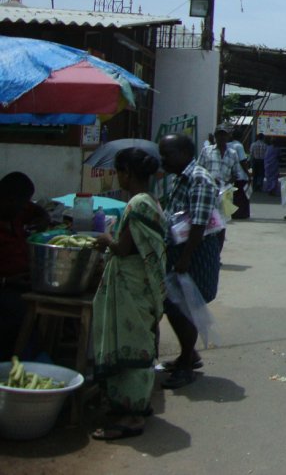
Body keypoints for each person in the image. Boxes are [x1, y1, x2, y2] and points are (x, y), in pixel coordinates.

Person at [90, 147, 166, 441]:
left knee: (133, 347)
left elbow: (123, 248)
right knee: (137, 344)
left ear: (128, 173)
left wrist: (105, 238)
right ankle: (131, 404)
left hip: (132, 286)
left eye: (119, 171)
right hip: (138, 287)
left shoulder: (137, 204)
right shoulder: (151, 201)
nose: (117, 177)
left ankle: (133, 416)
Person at [158, 133, 221, 389]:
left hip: (194, 254)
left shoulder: (199, 179)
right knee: (173, 304)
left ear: (184, 153)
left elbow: (199, 222)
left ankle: (186, 365)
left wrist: (184, 259)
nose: (163, 160)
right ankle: (188, 354)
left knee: (184, 308)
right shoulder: (179, 178)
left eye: (167, 154)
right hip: (178, 250)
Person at [0, 172, 49, 361]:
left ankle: (38, 356)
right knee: (19, 313)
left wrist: (43, 218)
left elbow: (38, 211)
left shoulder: (16, 214)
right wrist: (7, 280)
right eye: (22, 203)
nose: (24, 208)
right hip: (6, 289)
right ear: (10, 200)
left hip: (24, 282)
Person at [198, 126, 249, 230]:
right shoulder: (206, 151)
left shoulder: (232, 153)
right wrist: (209, 179)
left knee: (221, 224)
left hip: (224, 194)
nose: (221, 137)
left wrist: (227, 183)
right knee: (205, 222)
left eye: (224, 135)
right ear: (215, 136)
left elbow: (236, 173)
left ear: (228, 136)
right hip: (207, 191)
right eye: (219, 135)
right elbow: (199, 170)